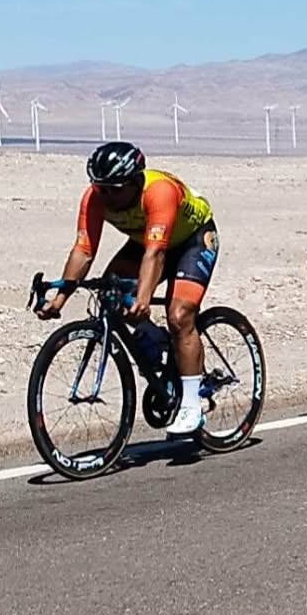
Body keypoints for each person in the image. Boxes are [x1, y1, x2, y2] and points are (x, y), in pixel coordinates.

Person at [41, 141, 219, 437]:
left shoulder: (159, 191)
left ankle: (191, 404)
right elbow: (83, 251)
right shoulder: (95, 197)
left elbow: (156, 254)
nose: (106, 195)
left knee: (179, 316)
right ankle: (156, 340)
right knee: (110, 294)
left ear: (136, 182)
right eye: (100, 188)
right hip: (144, 243)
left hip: (192, 241)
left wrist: (144, 299)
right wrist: (60, 299)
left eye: (114, 189)